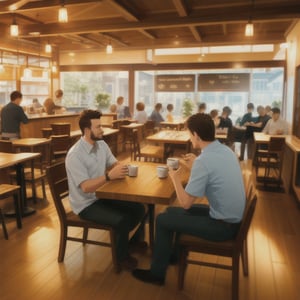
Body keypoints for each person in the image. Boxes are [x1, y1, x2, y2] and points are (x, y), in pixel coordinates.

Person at [132, 113, 245, 285]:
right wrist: (196, 165)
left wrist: (175, 178)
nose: (189, 136)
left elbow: (185, 203)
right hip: (231, 217)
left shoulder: (204, 160)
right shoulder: (225, 150)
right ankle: (174, 255)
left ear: (196, 136)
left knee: (162, 219)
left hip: (223, 227)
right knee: (170, 211)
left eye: (189, 133)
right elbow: (211, 174)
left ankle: (157, 274)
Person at [65, 109, 146, 271]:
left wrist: (121, 167)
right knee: (122, 220)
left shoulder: (101, 145)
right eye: (98, 127)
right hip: (85, 204)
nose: (102, 130)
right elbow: (86, 187)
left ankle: (132, 243)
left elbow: (113, 163)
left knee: (139, 208)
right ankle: (120, 258)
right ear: (87, 131)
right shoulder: (75, 155)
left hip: (101, 195)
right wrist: (108, 177)